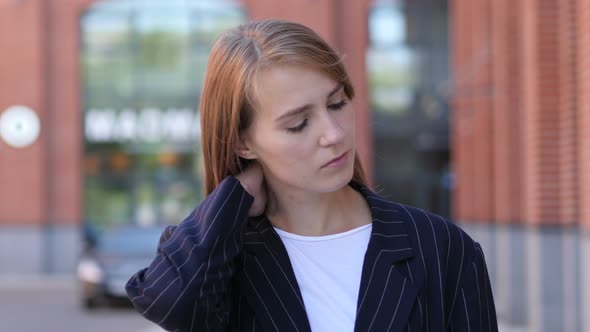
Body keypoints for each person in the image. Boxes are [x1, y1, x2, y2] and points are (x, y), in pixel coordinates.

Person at [126, 19, 498, 332]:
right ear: (244, 143)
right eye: (298, 124)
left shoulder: (441, 248)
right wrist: (236, 192)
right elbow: (169, 299)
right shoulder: (222, 260)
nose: (334, 134)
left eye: (337, 103)